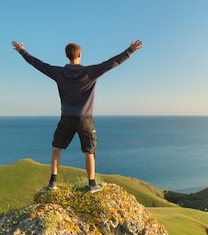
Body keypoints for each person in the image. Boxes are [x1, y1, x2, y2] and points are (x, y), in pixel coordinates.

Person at [11, 39, 143, 192]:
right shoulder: (89, 72)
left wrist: (22, 51)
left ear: (67, 55)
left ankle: (53, 182)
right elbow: (111, 63)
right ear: (79, 54)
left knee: (56, 148)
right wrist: (130, 50)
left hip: (66, 117)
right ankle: (92, 184)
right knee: (89, 151)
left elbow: (38, 64)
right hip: (85, 119)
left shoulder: (59, 73)